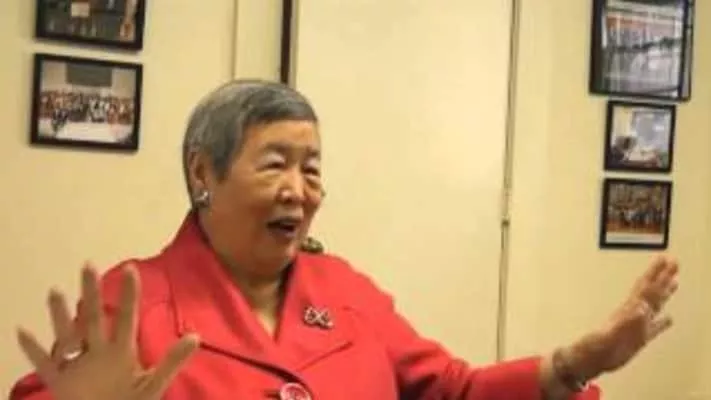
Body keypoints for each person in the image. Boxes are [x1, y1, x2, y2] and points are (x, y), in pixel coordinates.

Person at [10, 79, 679, 400]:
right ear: (202, 173)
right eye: (275, 164)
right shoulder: (132, 300)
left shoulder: (345, 291)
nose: (298, 190)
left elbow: (453, 391)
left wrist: (578, 360)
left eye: (312, 169)